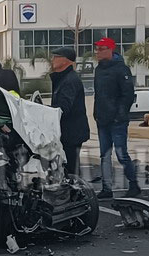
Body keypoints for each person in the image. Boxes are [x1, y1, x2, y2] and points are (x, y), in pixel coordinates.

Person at [93, 37, 138, 199]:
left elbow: (127, 95)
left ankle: (133, 183)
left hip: (117, 121)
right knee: (104, 155)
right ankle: (107, 188)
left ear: (110, 49)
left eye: (101, 48)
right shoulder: (98, 70)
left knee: (121, 154)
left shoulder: (121, 69)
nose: (97, 52)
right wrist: (97, 113)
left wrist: (120, 115)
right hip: (102, 119)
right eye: (97, 49)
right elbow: (99, 94)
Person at [49, 47, 89, 175]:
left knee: (72, 169)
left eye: (56, 56)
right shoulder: (62, 79)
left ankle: (78, 192)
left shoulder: (69, 80)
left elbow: (63, 108)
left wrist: (47, 114)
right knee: (69, 167)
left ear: (66, 61)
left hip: (72, 133)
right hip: (67, 132)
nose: (52, 60)